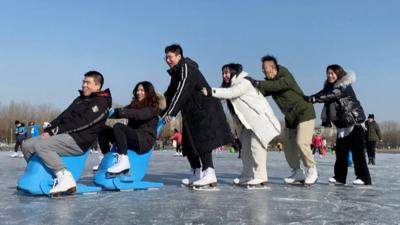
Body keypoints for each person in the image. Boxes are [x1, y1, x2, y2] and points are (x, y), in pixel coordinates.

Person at [22, 71, 112, 194]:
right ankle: (41, 175)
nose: (84, 85)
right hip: (65, 136)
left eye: (88, 83)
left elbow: (84, 122)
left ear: (97, 86)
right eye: (83, 82)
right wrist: (49, 128)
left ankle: (65, 178)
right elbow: (63, 116)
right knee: (27, 145)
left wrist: (54, 132)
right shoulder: (80, 99)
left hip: (79, 141)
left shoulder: (101, 102)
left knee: (41, 145)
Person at [162, 44, 232, 188]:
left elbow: (182, 91)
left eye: (170, 57)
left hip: (204, 109)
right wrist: (160, 113)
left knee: (202, 141)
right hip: (191, 111)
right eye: (166, 57)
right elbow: (170, 94)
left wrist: (171, 112)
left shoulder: (187, 67)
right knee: (188, 143)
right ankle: (197, 172)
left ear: (179, 56)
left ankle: (209, 172)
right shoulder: (176, 72)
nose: (168, 60)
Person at [202, 63, 281, 186]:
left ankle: (261, 176)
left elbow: (230, 93)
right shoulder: (231, 86)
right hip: (248, 125)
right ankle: (247, 175)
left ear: (235, 72)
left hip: (260, 121)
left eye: (227, 72)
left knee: (256, 146)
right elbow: (224, 96)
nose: (225, 75)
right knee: (245, 150)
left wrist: (210, 91)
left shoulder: (244, 82)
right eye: (223, 73)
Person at [247, 55, 318, 185]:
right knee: (289, 146)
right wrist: (246, 86)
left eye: (264, 68)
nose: (262, 70)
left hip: (304, 113)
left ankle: (312, 169)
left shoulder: (286, 76)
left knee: (301, 142)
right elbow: (260, 91)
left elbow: (278, 85)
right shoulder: (270, 82)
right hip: (291, 118)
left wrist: (259, 83)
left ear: (273, 67)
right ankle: (297, 172)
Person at [308, 64, 371, 185]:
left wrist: (315, 99)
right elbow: (324, 94)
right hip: (342, 124)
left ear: (339, 74)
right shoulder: (329, 87)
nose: (330, 75)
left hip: (354, 121)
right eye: (328, 73)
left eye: (332, 73)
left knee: (358, 153)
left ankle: (364, 178)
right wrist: (311, 97)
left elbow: (332, 95)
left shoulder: (344, 85)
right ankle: (339, 177)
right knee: (341, 153)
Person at [97, 81, 165, 175]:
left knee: (119, 127)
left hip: (143, 140)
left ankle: (123, 161)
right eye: (137, 90)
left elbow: (137, 114)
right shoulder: (134, 104)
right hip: (131, 137)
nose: (139, 92)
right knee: (102, 128)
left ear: (148, 92)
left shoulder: (153, 108)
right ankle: (106, 158)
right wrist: (106, 113)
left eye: (142, 90)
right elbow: (124, 110)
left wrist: (119, 112)